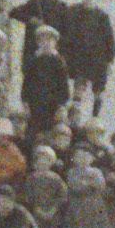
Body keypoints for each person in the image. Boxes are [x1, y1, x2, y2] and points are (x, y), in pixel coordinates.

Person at [63, 0, 115, 115]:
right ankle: (74, 117)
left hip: (98, 59)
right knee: (79, 88)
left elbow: (109, 40)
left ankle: (95, 117)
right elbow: (66, 35)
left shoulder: (102, 16)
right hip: (80, 57)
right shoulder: (73, 12)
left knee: (98, 91)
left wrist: (110, 61)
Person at [21, 22, 71, 152]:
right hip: (35, 104)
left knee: (51, 133)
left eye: (49, 39)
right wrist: (25, 102)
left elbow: (64, 86)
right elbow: (27, 83)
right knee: (34, 133)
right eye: (42, 39)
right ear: (38, 42)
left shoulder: (59, 61)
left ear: (55, 42)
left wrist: (61, 105)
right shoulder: (33, 61)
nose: (46, 43)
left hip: (52, 106)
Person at [9, 0, 73, 75]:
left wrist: (62, 51)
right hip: (35, 48)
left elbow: (66, 31)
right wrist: (30, 19)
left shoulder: (62, 6)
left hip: (54, 49)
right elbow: (13, 12)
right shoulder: (34, 3)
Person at [21, 145, 68, 228]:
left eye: (46, 160)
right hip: (36, 213)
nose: (42, 163)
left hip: (52, 213)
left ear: (51, 162)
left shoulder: (56, 178)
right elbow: (27, 196)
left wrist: (53, 209)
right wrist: (36, 209)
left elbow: (62, 195)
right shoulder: (31, 178)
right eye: (39, 160)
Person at [0, 115, 28, 192]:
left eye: (6, 136)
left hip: (11, 184)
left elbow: (21, 166)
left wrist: (8, 171)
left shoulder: (13, 148)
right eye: (1, 135)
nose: (4, 138)